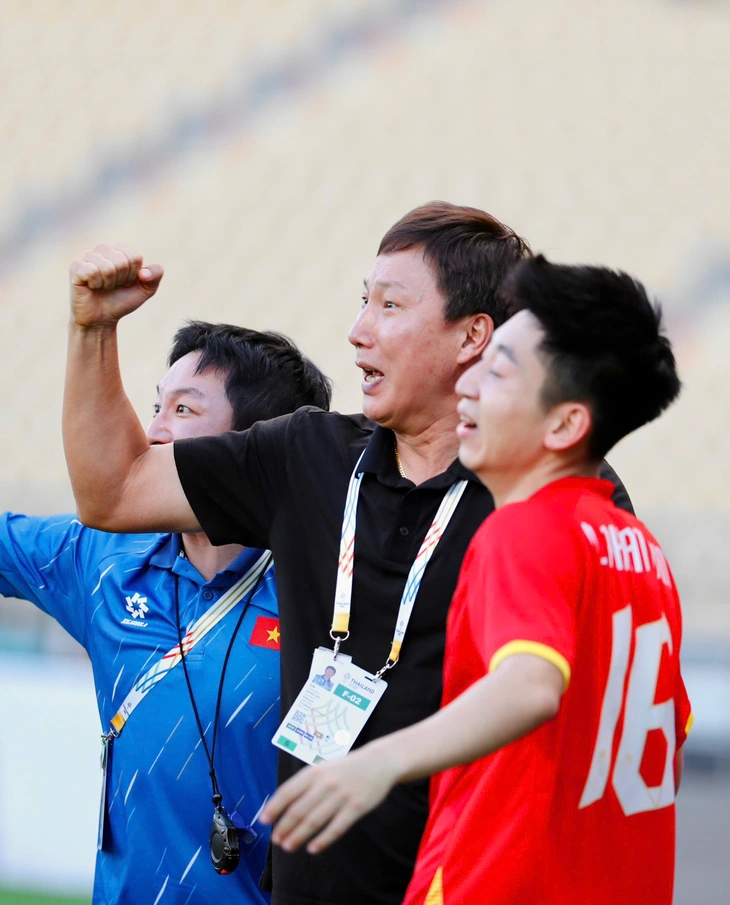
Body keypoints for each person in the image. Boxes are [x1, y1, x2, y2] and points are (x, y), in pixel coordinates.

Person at [62, 208, 632, 905]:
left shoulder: (545, 488)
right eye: (364, 301)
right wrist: (93, 330)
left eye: (390, 304)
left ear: (471, 336)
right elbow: (112, 491)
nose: (359, 329)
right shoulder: (306, 453)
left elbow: (581, 705)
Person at [259, 255, 691, 905]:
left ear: (565, 424)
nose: (467, 386)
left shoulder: (522, 531)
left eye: (499, 371)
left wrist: (377, 762)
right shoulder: (643, 553)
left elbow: (530, 686)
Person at [1, 321, 331, 905]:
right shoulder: (102, 557)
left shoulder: (327, 590)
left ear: (256, 445)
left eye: (182, 409)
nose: (151, 431)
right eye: (158, 405)